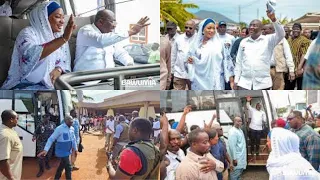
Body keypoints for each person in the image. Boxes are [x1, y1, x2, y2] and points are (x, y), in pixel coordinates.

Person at [1, 1, 73, 90]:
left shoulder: (58, 36)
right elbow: (30, 55)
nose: (62, 21)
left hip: (49, 86)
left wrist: (59, 69)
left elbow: (64, 59)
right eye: (58, 17)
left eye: (63, 17)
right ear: (44, 18)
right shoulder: (27, 33)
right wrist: (63, 39)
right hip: (23, 85)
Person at [74, 10, 149, 71]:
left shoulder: (111, 35)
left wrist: (130, 65)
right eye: (113, 22)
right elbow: (100, 41)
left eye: (115, 22)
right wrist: (131, 32)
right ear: (100, 22)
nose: (115, 25)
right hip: (86, 81)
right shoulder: (85, 31)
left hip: (109, 78)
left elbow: (120, 53)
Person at [234, 10, 285, 90]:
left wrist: (274, 19)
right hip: (244, 83)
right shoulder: (244, 42)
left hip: (263, 84)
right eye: (250, 25)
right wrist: (236, 80)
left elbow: (281, 34)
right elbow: (239, 62)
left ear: (261, 28)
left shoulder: (268, 40)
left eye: (254, 25)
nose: (251, 27)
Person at [186, 18, 235, 90]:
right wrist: (190, 61)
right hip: (199, 81)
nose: (211, 31)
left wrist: (231, 80)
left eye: (213, 28)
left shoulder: (220, 44)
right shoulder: (196, 45)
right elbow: (189, 60)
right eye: (209, 28)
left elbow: (227, 62)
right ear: (202, 30)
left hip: (216, 80)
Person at [38, 115, 78, 180]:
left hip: (68, 151)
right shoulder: (59, 129)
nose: (71, 123)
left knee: (62, 165)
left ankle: (56, 178)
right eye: (70, 121)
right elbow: (51, 139)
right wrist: (46, 150)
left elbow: (73, 139)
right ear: (65, 121)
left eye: (72, 121)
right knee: (68, 166)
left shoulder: (72, 129)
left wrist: (75, 149)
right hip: (61, 151)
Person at [264, 24, 295, 90]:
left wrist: (291, 70)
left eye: (265, 29)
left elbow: (288, 55)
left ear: (272, 30)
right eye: (263, 29)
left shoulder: (282, 39)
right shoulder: (261, 40)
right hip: (264, 70)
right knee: (264, 91)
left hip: (277, 70)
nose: (264, 31)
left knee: (278, 91)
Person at [171, 20, 196, 90]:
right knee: (177, 95)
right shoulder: (178, 39)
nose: (188, 29)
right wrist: (172, 71)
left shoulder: (198, 40)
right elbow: (173, 55)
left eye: (190, 28)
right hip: (179, 73)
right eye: (186, 27)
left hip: (193, 74)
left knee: (194, 95)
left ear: (194, 28)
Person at [286, 23, 311, 90]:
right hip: (290, 69)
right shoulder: (289, 40)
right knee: (288, 88)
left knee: (300, 88)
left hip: (301, 69)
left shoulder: (305, 40)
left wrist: (300, 68)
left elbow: (305, 54)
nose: (295, 30)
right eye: (294, 29)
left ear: (301, 30)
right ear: (292, 29)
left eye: (298, 29)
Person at [0, 110, 23, 180]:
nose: (17, 120)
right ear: (11, 120)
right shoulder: (5, 136)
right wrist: (11, 178)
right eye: (17, 118)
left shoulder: (10, 130)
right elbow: (3, 161)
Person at [166, 21, 179, 90]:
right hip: (165, 67)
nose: (169, 30)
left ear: (175, 28)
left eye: (171, 28)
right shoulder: (164, 38)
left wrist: (173, 70)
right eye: (168, 29)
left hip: (175, 68)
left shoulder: (179, 39)